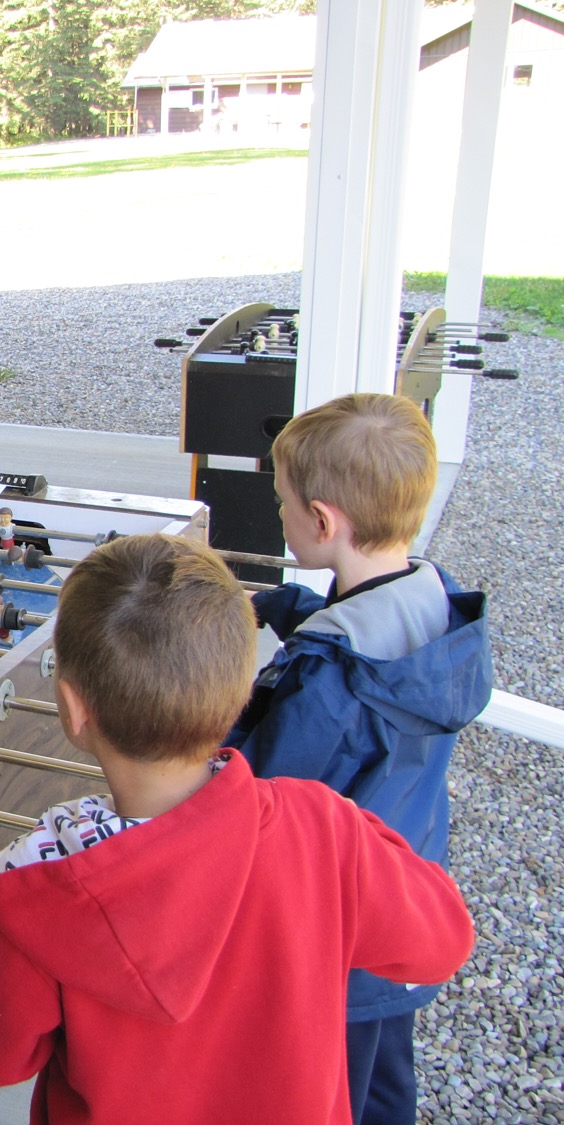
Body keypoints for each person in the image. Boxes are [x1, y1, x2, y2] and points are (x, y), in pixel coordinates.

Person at [0, 533, 474, 1125]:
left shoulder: (36, 883)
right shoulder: (326, 829)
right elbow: (443, 942)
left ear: (73, 708)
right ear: (244, 688)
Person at [225, 392, 493, 1125]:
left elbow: (256, 791)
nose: (278, 516)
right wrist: (282, 607)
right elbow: (356, 625)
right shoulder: (433, 599)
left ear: (322, 520)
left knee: (326, 1092)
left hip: (335, 942)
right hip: (404, 899)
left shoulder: (330, 683)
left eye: (282, 504)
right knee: (382, 1084)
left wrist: (201, 725)